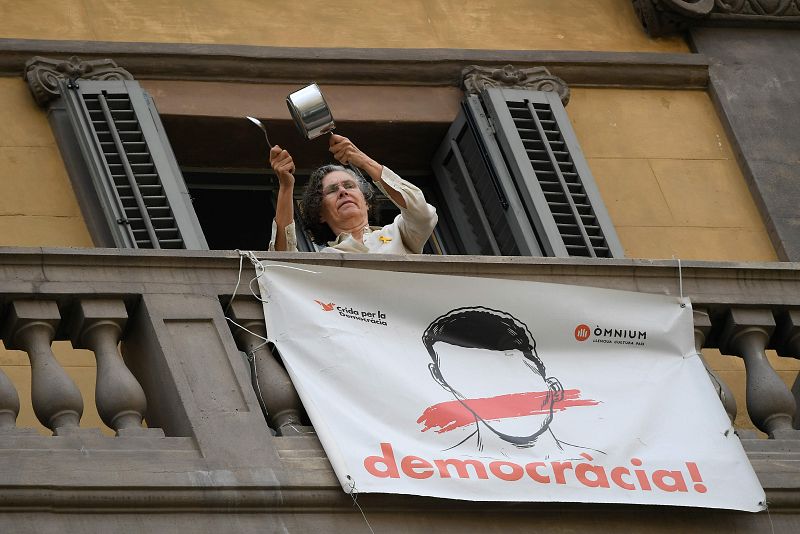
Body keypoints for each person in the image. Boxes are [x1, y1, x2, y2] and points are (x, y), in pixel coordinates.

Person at [420, 306, 603, 458]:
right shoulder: (436, 472)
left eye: (508, 371)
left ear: (553, 386)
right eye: (470, 374)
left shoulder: (596, 464)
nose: (497, 394)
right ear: (439, 378)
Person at [268, 134, 437, 253]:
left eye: (349, 186)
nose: (342, 191)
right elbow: (281, 261)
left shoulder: (398, 233)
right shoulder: (322, 259)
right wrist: (286, 186)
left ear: (367, 202)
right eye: (332, 190)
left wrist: (362, 159)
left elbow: (421, 213)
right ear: (320, 214)